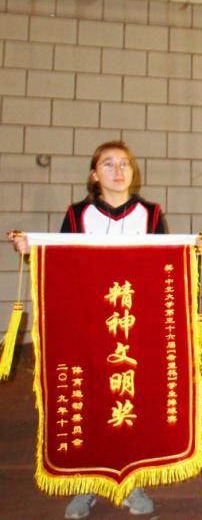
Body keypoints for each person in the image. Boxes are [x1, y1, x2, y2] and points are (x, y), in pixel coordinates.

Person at [10, 141, 160, 518]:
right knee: (90, 402)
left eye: (124, 163)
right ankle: (85, 484)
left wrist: (195, 248)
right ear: (94, 175)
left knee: (130, 404)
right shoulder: (78, 214)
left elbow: (165, 264)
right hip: (90, 324)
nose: (118, 170)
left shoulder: (151, 214)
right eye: (108, 164)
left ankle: (131, 481)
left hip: (133, 326)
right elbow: (60, 258)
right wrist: (33, 247)